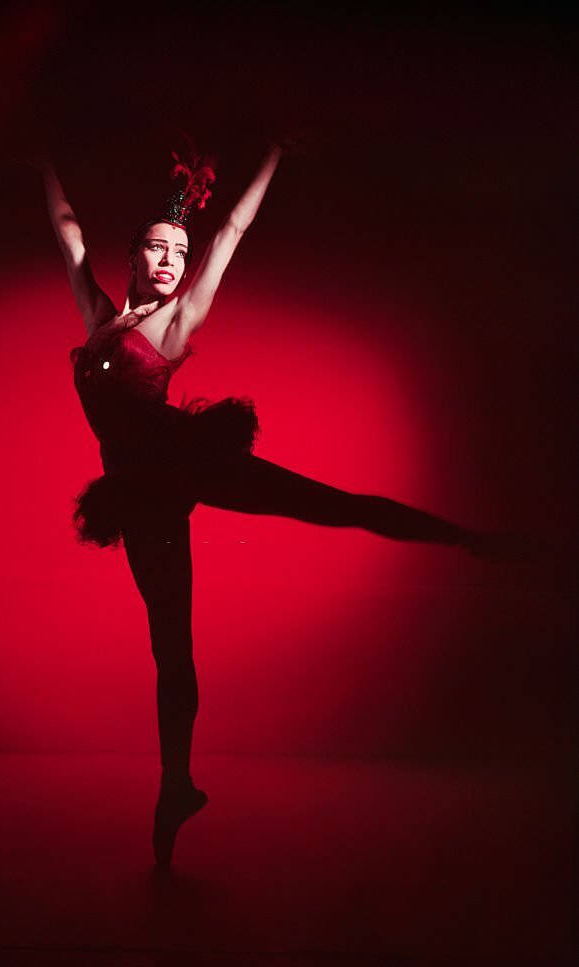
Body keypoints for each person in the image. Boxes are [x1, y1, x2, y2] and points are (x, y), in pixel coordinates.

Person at [42, 139, 493, 869]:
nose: (168, 261)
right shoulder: (98, 318)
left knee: (333, 504)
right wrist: (41, 155)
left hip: (185, 463)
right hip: (143, 496)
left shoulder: (174, 326)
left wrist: (276, 148)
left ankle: (465, 537)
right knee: (170, 647)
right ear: (131, 257)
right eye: (156, 248)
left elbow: (230, 235)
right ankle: (177, 785)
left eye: (177, 255)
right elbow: (66, 231)